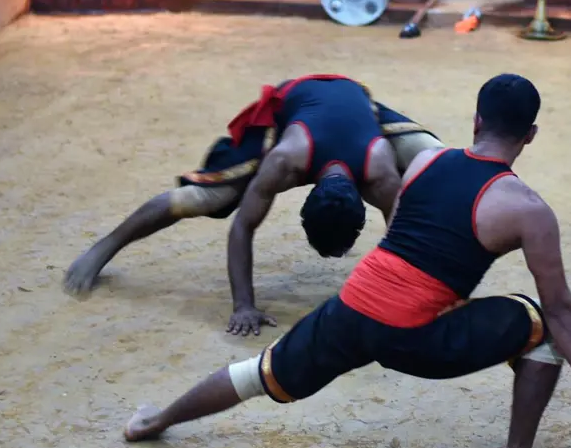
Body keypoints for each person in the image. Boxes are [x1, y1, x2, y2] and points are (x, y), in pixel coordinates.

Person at [122, 73, 571, 448]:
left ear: (476, 120)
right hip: (413, 337)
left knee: (258, 372)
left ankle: (155, 421)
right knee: (538, 320)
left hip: (349, 306)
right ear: (531, 135)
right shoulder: (528, 210)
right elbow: (564, 312)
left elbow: (405, 237)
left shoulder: (426, 161)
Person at [64, 74, 443, 336]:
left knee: (441, 161)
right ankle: (103, 248)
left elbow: (403, 240)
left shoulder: (381, 173)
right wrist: (243, 305)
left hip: (356, 98)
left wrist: (411, 302)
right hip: (296, 101)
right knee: (207, 197)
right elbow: (242, 226)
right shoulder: (285, 160)